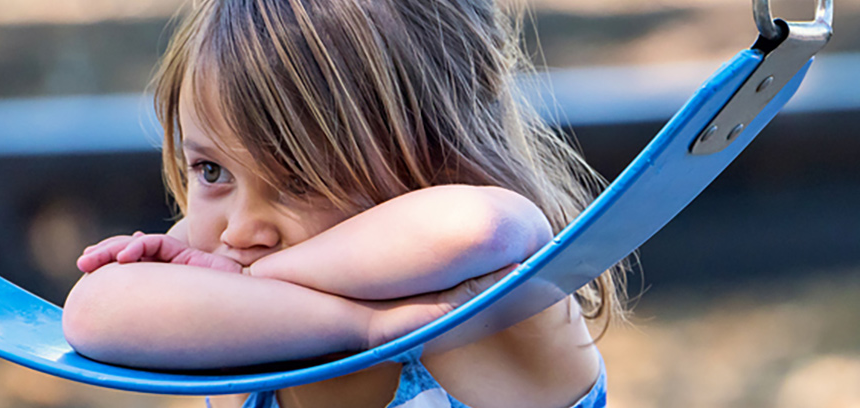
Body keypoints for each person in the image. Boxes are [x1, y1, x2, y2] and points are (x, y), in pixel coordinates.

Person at [62, 0, 626, 406]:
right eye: (212, 171)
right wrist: (356, 322)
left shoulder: (498, 304)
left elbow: (481, 227)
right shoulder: (233, 248)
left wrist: (274, 287)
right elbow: (93, 311)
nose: (239, 229)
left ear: (439, 159)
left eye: (300, 179)